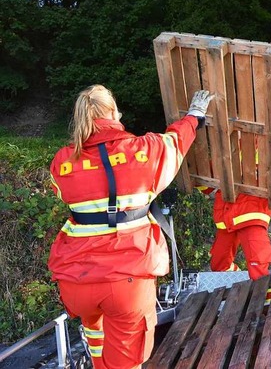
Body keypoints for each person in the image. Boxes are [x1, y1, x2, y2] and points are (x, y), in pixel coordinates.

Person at [48, 85, 213, 369]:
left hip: (76, 279)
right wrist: (195, 115)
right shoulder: (143, 151)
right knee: (127, 361)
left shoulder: (63, 161)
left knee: (96, 339)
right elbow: (175, 142)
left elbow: (63, 193)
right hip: (126, 280)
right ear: (113, 112)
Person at [200, 155, 271, 280]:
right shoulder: (221, 151)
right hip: (227, 219)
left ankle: (265, 296)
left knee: (258, 262)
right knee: (219, 264)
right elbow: (206, 186)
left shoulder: (263, 148)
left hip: (251, 215)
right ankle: (239, 286)